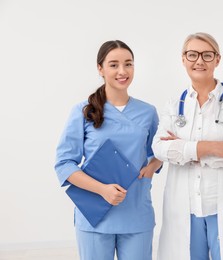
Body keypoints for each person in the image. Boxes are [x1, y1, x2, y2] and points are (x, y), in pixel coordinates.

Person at [152, 32, 223, 260]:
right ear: (183, 59)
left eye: (207, 55)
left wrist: (184, 150)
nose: (199, 61)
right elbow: (160, 149)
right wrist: (212, 147)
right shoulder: (175, 103)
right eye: (192, 54)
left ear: (217, 59)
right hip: (187, 205)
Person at [54, 40, 162, 260]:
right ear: (100, 69)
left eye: (128, 64)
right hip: (94, 217)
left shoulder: (148, 112)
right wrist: (102, 190)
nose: (122, 71)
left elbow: (159, 152)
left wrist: (153, 166)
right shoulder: (83, 111)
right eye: (113, 65)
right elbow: (64, 164)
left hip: (135, 212)